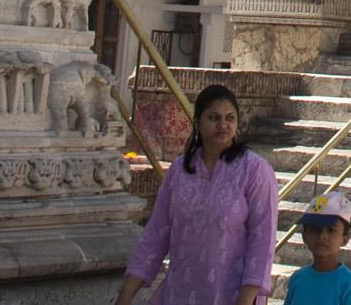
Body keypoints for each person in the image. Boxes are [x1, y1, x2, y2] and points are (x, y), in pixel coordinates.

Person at [118, 84, 277, 305]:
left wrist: (247, 298)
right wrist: (127, 293)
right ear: (198, 122)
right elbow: (156, 234)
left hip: (230, 296)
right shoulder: (179, 170)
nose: (223, 125)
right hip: (179, 293)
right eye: (214, 118)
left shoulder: (254, 171)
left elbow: (262, 239)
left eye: (230, 118)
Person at [284, 189, 351, 305]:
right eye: (315, 229)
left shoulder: (349, 284)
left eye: (331, 230)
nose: (322, 236)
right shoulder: (297, 279)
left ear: (344, 239)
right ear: (304, 236)